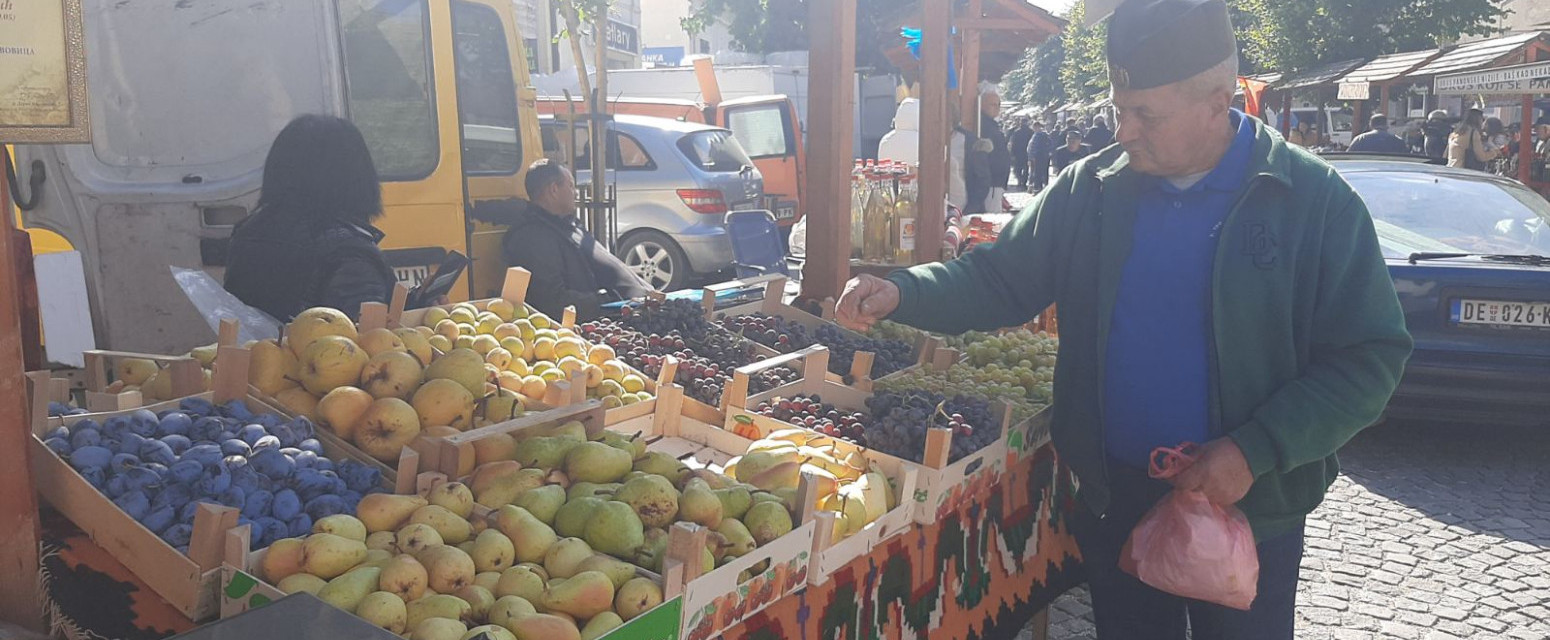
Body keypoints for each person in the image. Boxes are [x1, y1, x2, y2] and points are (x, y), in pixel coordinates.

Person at [833, 1, 1412, 637]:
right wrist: (904, 294)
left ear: (1218, 104)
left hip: (1251, 506)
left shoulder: (1310, 200)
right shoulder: (1092, 190)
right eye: (1119, 110)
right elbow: (1002, 278)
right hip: (1117, 501)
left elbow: (1370, 355)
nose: (1124, 132)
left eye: (1146, 115)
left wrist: (1255, 450)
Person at [225, 115, 395, 322]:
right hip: (318, 354)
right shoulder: (349, 253)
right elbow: (367, 339)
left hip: (256, 353)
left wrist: (410, 300)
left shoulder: (248, 233)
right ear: (357, 178)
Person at [490, 159, 651, 320]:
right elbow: (552, 301)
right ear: (554, 189)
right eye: (571, 186)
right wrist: (607, 299)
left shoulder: (565, 224)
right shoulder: (533, 237)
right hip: (607, 318)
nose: (575, 192)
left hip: (639, 304)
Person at [1027, 121, 1055, 191]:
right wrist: (1049, 153)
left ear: (1037, 127)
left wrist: (1031, 156)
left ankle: (1037, 186)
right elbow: (1051, 144)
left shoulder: (1037, 135)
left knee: (1037, 171)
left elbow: (1033, 147)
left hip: (1037, 156)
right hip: (1045, 156)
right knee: (1045, 171)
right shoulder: (1046, 134)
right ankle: (1045, 184)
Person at [1009, 116, 1034, 191]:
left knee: (1018, 168)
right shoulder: (1030, 132)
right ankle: (1023, 181)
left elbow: (1013, 143)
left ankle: (1020, 180)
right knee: (1025, 168)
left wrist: (1012, 153)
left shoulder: (1017, 132)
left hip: (1018, 153)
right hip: (1026, 153)